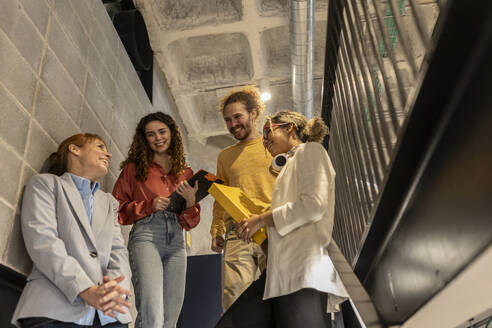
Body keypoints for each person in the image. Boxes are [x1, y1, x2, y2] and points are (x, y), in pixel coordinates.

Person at [235, 111, 348, 328]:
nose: (264, 139)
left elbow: (313, 205)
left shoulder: (311, 151)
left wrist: (261, 219)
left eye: (269, 130)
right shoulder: (290, 165)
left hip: (304, 272)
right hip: (282, 274)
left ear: (289, 127)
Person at [12, 133, 133, 328]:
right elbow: (43, 242)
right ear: (74, 149)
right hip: (54, 309)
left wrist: (116, 291)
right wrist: (85, 289)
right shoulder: (46, 184)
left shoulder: (109, 203)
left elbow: (119, 252)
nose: (108, 154)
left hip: (109, 318)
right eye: (100, 147)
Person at [112, 112, 200, 328]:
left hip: (177, 241)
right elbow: (116, 209)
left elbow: (191, 222)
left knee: (171, 317)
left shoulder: (185, 171)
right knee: (153, 313)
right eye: (151, 134)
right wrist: (148, 205)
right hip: (146, 236)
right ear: (145, 139)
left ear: (172, 133)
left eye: (162, 131)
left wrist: (190, 202)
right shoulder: (134, 169)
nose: (158, 138)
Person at [210, 86, 276, 311]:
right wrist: (216, 230)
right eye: (228, 120)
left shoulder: (275, 146)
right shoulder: (225, 156)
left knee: (279, 296)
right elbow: (221, 196)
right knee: (234, 300)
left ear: (254, 113)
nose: (232, 124)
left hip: (273, 229)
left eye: (237, 116)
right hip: (238, 232)